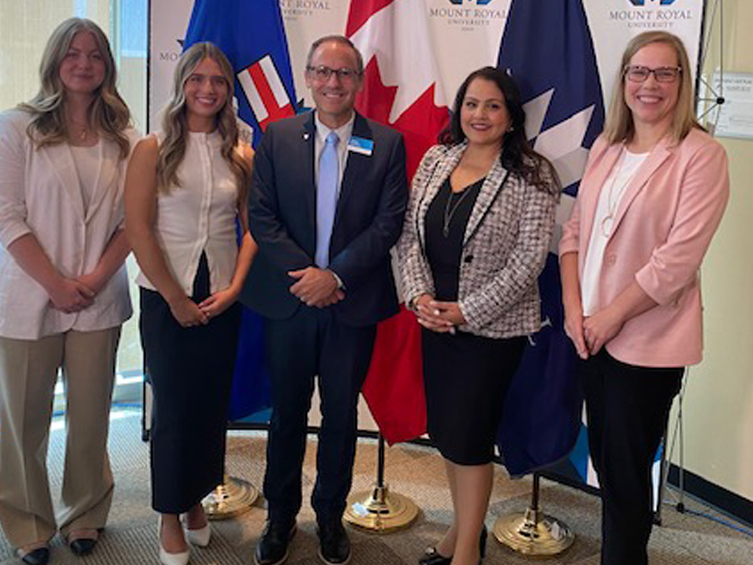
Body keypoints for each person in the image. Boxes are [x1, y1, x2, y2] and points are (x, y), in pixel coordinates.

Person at [560, 31, 730, 565]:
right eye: (638, 72)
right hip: (588, 333)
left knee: (630, 478)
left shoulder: (701, 156)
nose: (649, 84)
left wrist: (609, 316)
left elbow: (677, 261)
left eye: (664, 73)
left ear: (682, 82)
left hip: (645, 343)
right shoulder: (607, 148)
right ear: (624, 80)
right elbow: (576, 234)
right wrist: (574, 311)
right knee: (610, 470)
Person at [241, 35, 408, 565]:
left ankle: (330, 517)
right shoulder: (278, 137)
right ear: (309, 78)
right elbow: (261, 217)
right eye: (323, 72)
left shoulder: (386, 143)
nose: (333, 83)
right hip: (290, 302)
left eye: (344, 73)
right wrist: (307, 276)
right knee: (287, 412)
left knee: (340, 415)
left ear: (359, 81)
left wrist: (333, 277)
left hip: (349, 303)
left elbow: (388, 225)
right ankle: (280, 516)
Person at [0, 17, 134, 565]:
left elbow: (133, 222)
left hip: (98, 298)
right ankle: (30, 525)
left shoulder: (125, 138)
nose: (84, 63)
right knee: (23, 420)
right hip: (26, 297)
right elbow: (3, 213)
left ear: (107, 65)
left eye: (95, 54)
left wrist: (90, 282)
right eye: (73, 53)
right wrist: (54, 283)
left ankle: (86, 512)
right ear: (54, 60)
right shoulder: (15, 126)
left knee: (91, 416)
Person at [398, 67, 559, 565]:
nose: (480, 114)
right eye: (471, 103)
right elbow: (408, 235)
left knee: (469, 437)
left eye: (492, 105)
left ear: (511, 116)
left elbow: (529, 260)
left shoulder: (534, 173)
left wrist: (467, 310)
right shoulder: (436, 158)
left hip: (489, 330)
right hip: (434, 320)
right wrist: (420, 297)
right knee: (448, 433)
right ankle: (458, 534)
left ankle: (466, 550)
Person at [124, 43, 256, 565]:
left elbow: (253, 229)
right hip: (166, 294)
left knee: (209, 404)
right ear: (182, 83)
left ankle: (197, 500)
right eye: (197, 78)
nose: (207, 89)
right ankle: (168, 515)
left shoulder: (240, 151)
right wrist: (176, 298)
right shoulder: (152, 149)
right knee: (176, 408)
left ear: (228, 90)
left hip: (221, 292)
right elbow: (137, 229)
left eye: (218, 81)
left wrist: (238, 287)